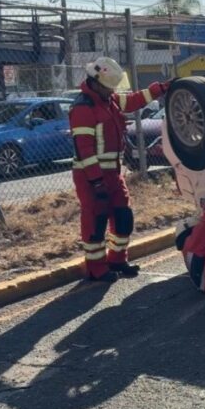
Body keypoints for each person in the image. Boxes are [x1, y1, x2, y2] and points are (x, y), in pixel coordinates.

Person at [71, 57, 172, 282]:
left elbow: (134, 100)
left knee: (123, 217)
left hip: (113, 173)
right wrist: (96, 181)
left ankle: (117, 260)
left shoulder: (110, 100)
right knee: (96, 222)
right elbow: (84, 149)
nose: (112, 91)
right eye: (109, 87)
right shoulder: (83, 108)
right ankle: (96, 268)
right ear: (96, 82)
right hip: (90, 176)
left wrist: (161, 88)